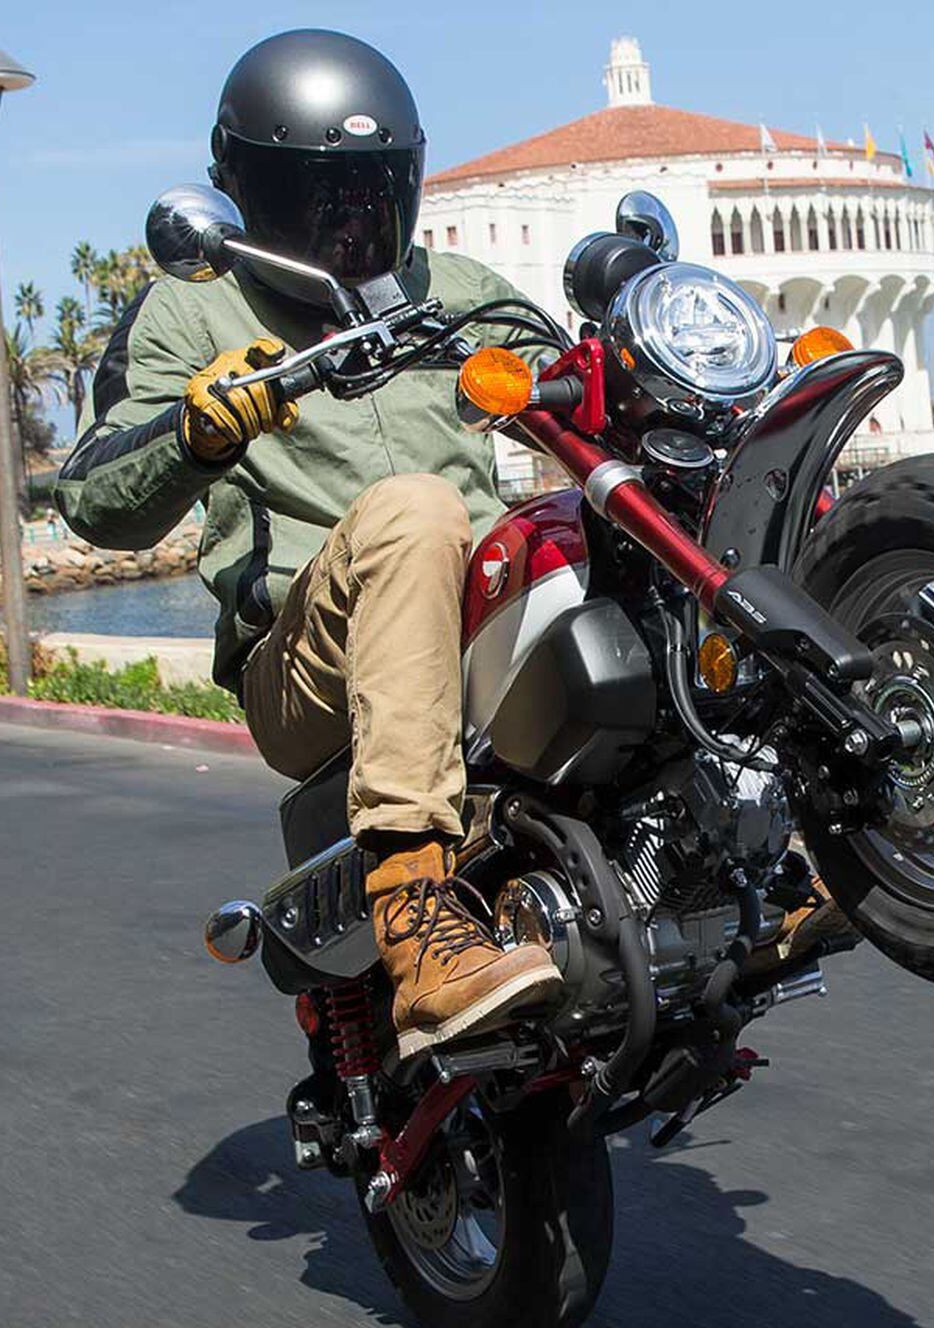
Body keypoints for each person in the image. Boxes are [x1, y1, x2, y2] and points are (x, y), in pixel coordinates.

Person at [56, 30, 561, 1055]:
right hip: (305, 666)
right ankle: (415, 911)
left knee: (591, 521)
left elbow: (571, 391)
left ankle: (751, 834)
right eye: (319, 197)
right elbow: (93, 493)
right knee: (416, 511)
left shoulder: (461, 292)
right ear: (246, 189)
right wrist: (194, 435)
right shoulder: (190, 310)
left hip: (475, 634)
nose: (350, 222)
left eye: (372, 192)